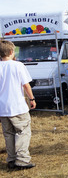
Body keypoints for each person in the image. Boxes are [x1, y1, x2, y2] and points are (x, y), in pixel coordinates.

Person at [0, 40, 36, 170]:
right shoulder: (18, 65)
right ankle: (22, 159)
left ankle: (11, 158)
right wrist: (32, 98)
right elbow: (26, 84)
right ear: (11, 52)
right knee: (22, 132)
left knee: (8, 134)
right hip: (17, 106)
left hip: (3, 108)